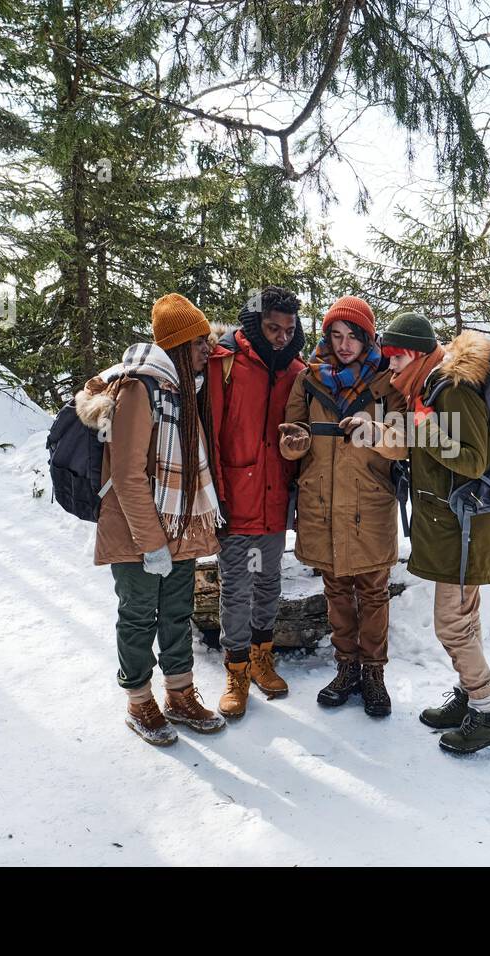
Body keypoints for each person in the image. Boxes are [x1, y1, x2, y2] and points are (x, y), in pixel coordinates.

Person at [77, 293, 226, 746]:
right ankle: (139, 699)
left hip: (178, 525)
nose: (208, 351)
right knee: (139, 615)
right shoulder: (139, 389)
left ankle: (179, 693)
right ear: (181, 345)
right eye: (201, 343)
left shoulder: (181, 390)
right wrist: (151, 542)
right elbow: (125, 474)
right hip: (138, 529)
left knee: (177, 614)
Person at [371, 314, 490, 753]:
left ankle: (487, 714)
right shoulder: (429, 385)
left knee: (452, 626)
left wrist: (419, 429)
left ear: (411, 353)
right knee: (463, 621)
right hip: (453, 527)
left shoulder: (452, 389)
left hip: (464, 530)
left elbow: (472, 460)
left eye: (393, 359)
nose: (389, 368)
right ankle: (470, 699)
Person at [277, 296, 406, 716]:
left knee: (373, 591)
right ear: (326, 336)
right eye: (336, 335)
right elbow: (292, 430)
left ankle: (374, 674)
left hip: (370, 502)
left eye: (353, 336)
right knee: (335, 588)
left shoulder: (388, 380)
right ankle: (346, 668)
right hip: (322, 502)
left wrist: (377, 432)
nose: (344, 343)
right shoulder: (309, 379)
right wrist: (292, 445)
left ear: (368, 337)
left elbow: (406, 442)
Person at [203, 286, 306, 719]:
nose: (281, 336)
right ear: (254, 324)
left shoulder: (297, 370)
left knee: (268, 581)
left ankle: (264, 657)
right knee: (238, 586)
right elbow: (210, 433)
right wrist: (217, 497)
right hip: (237, 500)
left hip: (274, 500)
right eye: (272, 328)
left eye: (288, 329)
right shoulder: (226, 363)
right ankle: (237, 668)